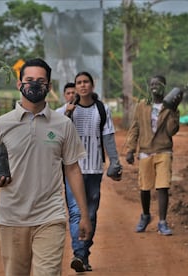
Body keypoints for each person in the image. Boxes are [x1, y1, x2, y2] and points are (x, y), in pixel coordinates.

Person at [0, 58, 92, 276]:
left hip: (50, 215)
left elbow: (72, 169)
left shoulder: (63, 125)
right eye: (29, 80)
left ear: (49, 87)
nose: (34, 85)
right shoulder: (0, 125)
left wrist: (84, 214)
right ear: (19, 84)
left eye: (40, 81)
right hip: (12, 217)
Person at [60, 71, 122, 273]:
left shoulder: (102, 109)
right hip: (72, 169)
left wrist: (114, 161)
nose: (82, 85)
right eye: (79, 82)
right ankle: (78, 254)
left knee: (91, 214)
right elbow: (56, 136)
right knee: (77, 212)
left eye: (86, 82)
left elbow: (108, 137)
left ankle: (84, 254)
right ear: (75, 87)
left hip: (94, 169)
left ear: (92, 86)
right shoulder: (65, 110)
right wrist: (68, 114)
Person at [125, 75, 182, 236]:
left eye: (158, 84)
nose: (155, 87)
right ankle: (145, 215)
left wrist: (173, 111)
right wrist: (131, 149)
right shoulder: (142, 105)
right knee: (144, 187)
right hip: (145, 150)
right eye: (152, 84)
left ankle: (162, 222)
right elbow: (135, 128)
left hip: (164, 150)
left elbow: (172, 131)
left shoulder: (170, 107)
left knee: (162, 186)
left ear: (165, 86)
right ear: (149, 87)